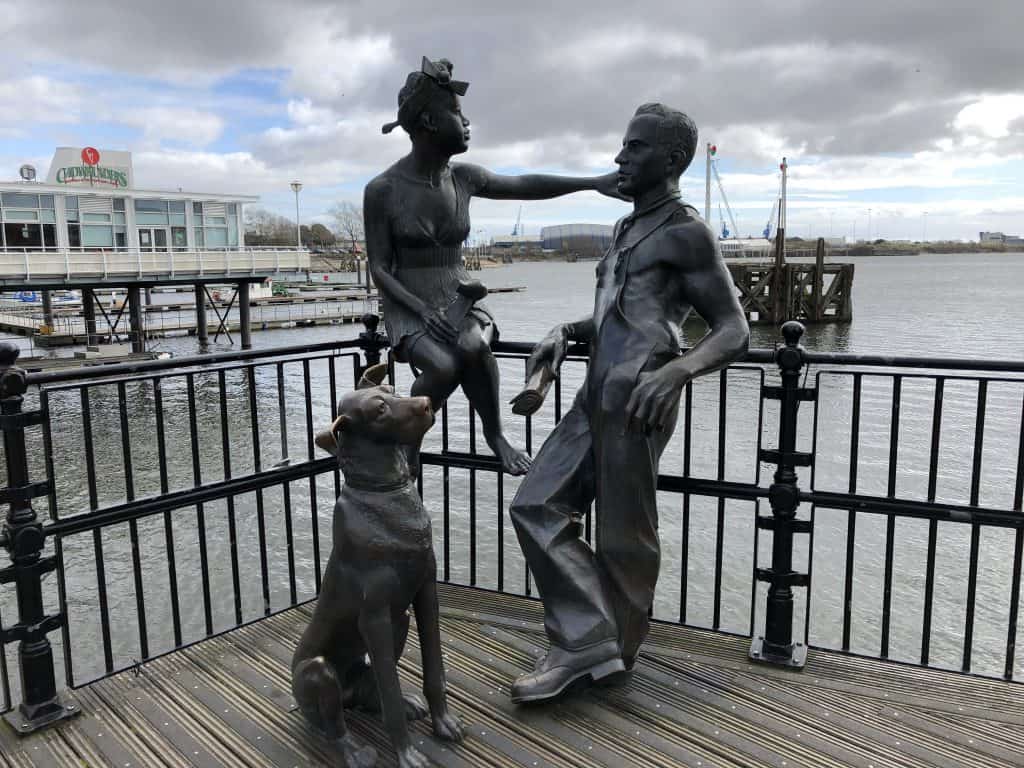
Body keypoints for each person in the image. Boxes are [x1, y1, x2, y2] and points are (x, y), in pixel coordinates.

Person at [508, 103, 750, 703]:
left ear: (670, 161)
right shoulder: (624, 229)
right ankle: (591, 640)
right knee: (536, 504)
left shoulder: (686, 231)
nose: (620, 158)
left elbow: (733, 327)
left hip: (641, 390)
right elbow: (619, 316)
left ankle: (603, 651)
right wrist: (565, 332)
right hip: (597, 389)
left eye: (634, 147)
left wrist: (682, 371)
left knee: (624, 534)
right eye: (623, 145)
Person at [364, 57, 622, 475]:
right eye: (457, 113)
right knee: (443, 365)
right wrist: (422, 311)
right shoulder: (382, 190)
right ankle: (407, 435)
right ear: (429, 121)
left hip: (458, 291)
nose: (467, 123)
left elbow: (525, 184)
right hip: (409, 303)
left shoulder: (462, 178)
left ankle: (495, 434)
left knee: (473, 346)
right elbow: (380, 269)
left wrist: (593, 182)